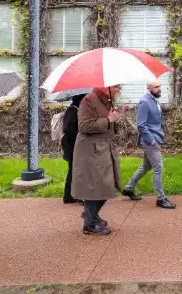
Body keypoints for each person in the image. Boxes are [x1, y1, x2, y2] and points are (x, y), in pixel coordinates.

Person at [73, 85, 122, 235]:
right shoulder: (88, 100)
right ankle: (90, 224)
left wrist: (114, 119)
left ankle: (92, 216)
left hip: (104, 149)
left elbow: (109, 125)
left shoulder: (107, 100)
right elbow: (84, 126)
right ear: (104, 87)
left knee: (107, 185)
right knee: (94, 187)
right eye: (115, 87)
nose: (117, 90)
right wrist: (108, 120)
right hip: (91, 151)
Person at [123, 80, 175, 209]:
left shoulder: (154, 99)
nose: (159, 89)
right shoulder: (144, 102)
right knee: (159, 167)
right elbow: (141, 125)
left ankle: (129, 188)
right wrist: (152, 140)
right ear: (149, 88)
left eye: (160, 86)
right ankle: (161, 199)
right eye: (156, 87)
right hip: (150, 141)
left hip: (156, 137)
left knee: (146, 166)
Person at [61, 94, 86, 205]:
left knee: (74, 170)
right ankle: (74, 195)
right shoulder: (72, 110)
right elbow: (68, 129)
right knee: (76, 170)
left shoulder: (75, 110)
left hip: (74, 144)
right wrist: (79, 137)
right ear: (80, 100)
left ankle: (69, 196)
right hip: (72, 145)